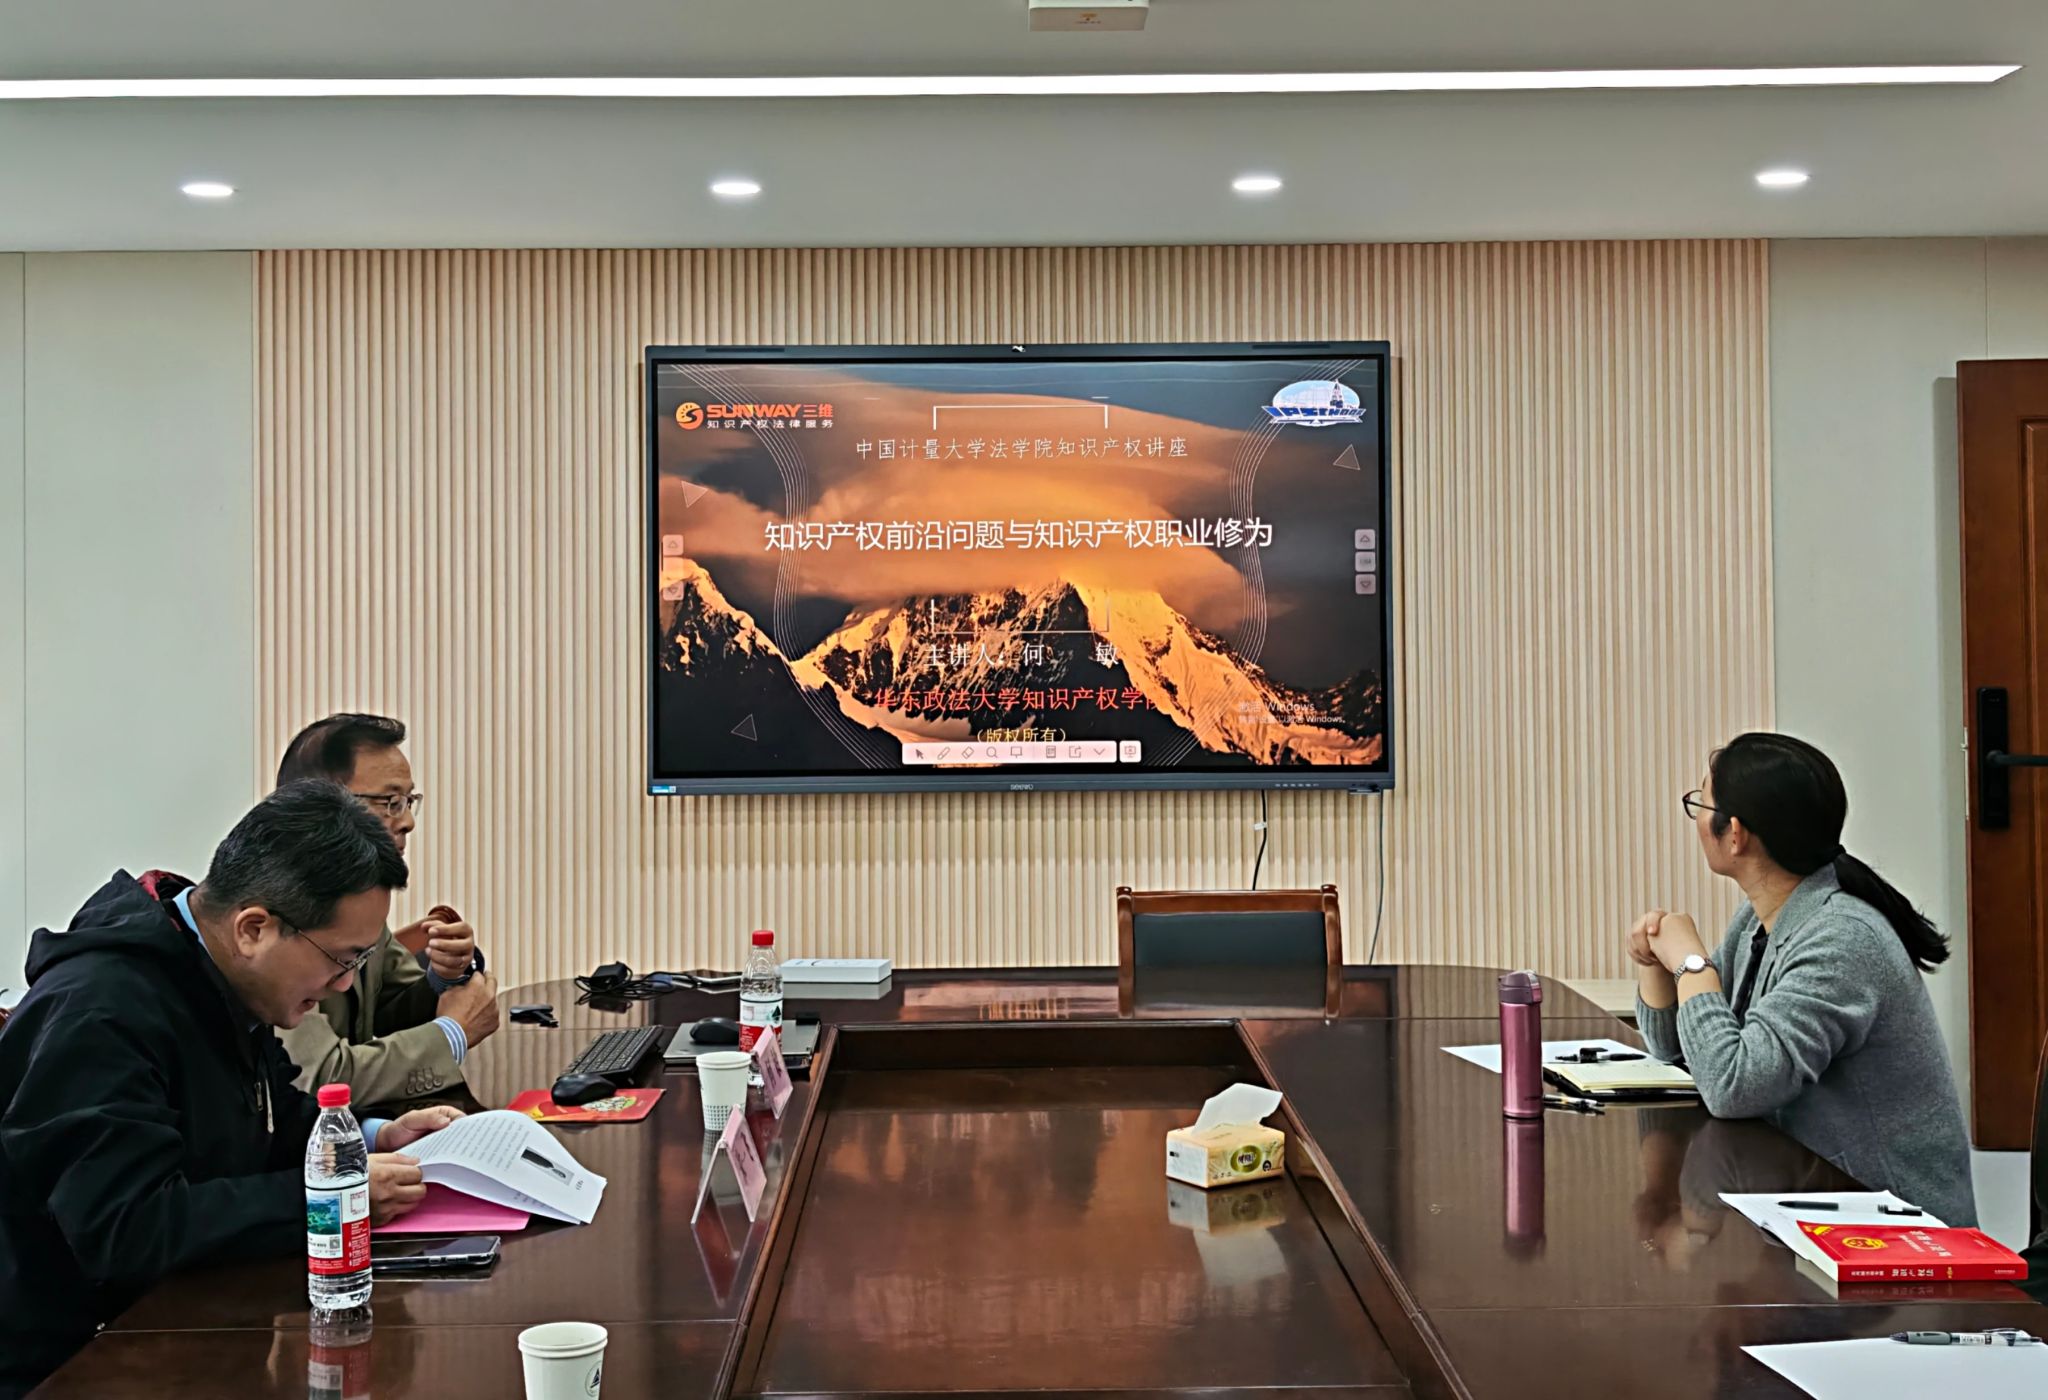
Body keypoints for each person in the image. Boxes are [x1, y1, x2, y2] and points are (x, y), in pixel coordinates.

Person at [0, 781, 461, 1397]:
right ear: (253, 929)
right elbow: (129, 1229)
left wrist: (371, 1137)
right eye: (341, 959)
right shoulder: (100, 1014)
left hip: (182, 1329)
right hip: (75, 1365)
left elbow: (270, 1117)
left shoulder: (213, 974)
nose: (345, 985)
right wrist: (329, 1200)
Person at [1628, 732, 1975, 1226]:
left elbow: (1732, 1086)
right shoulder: (1760, 918)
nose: (1697, 820)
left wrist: (1691, 964)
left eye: (1700, 804)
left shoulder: (1841, 940)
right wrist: (1655, 965)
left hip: (1895, 1232)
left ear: (1735, 834)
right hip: (1815, 1206)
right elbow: (1688, 1054)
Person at [274, 713, 499, 1111]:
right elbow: (323, 1078)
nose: (407, 821)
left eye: (409, 802)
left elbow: (390, 1010)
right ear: (320, 806)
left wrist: (445, 976)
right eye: (391, 803)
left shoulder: (358, 895)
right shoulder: (274, 913)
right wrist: (453, 1034)